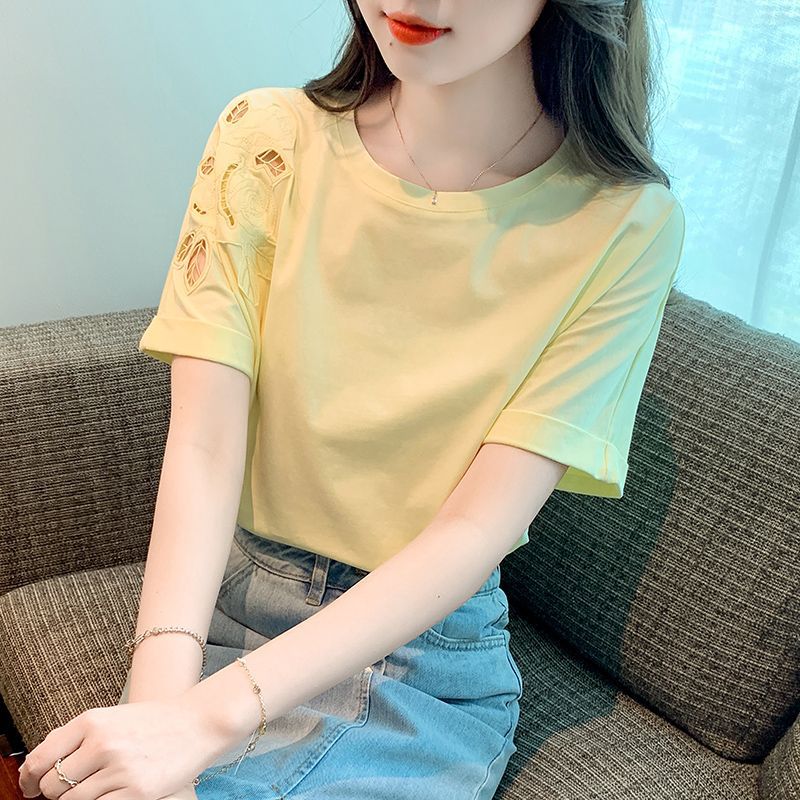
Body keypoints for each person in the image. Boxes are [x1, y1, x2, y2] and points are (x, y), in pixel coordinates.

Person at [18, 1, 686, 799]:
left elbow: (475, 529)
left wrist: (203, 723)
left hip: (420, 653)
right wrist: (161, 704)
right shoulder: (266, 139)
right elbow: (204, 445)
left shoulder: (624, 224)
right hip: (224, 601)